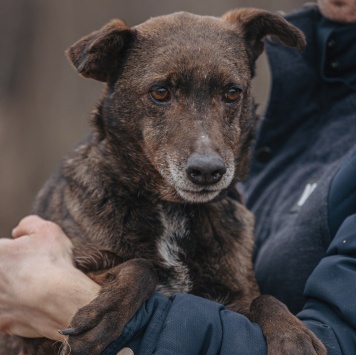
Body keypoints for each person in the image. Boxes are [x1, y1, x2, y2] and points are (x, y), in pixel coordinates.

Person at [1, 0, 356, 353]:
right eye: (161, 94)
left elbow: (234, 324)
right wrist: (134, 276)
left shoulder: (233, 221)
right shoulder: (83, 204)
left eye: (230, 94)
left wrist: (269, 312)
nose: (207, 156)